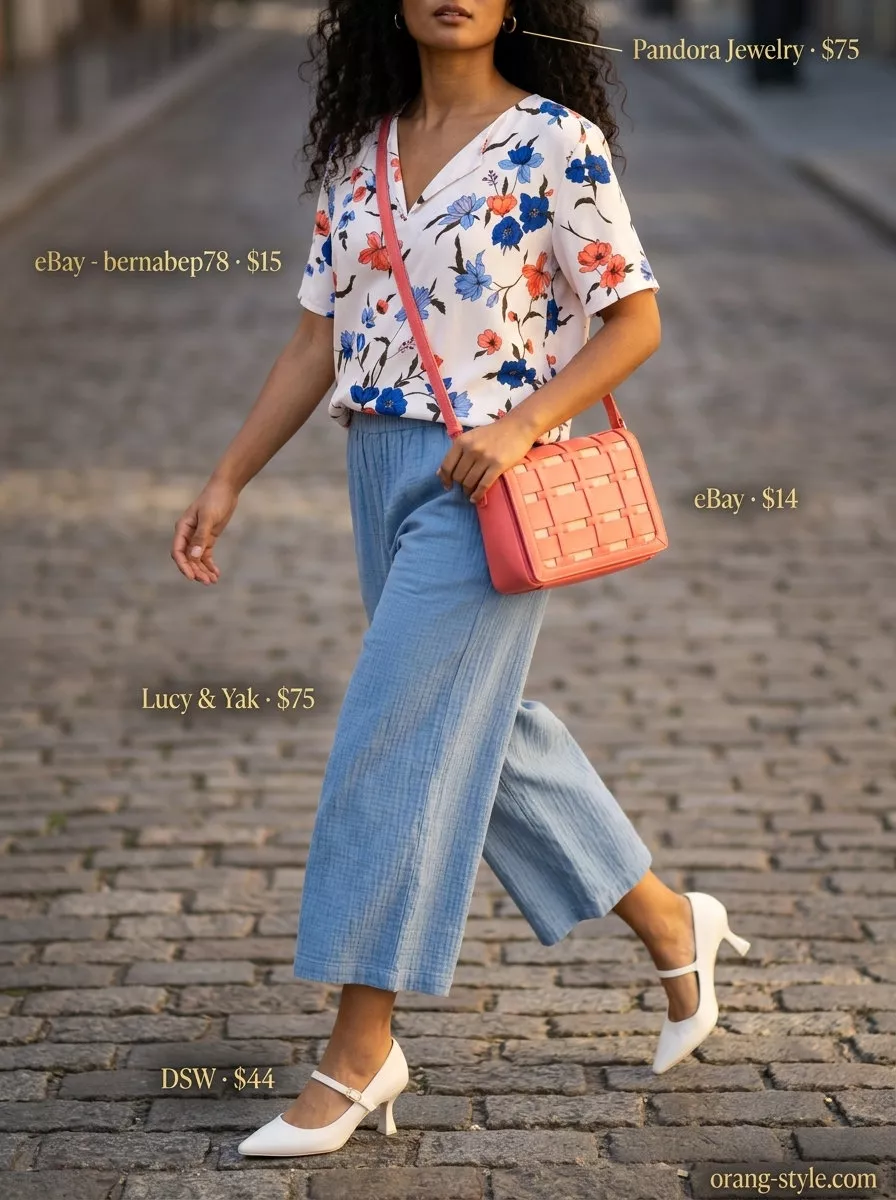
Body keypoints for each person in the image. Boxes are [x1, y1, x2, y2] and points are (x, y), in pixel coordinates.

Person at [171, 0, 751, 1160]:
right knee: (475, 727)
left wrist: (529, 423)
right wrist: (228, 475)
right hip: (375, 463)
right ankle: (669, 917)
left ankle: (358, 1050)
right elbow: (313, 340)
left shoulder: (554, 139)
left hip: (491, 479)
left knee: (392, 732)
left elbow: (631, 320)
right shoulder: (358, 151)